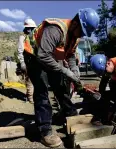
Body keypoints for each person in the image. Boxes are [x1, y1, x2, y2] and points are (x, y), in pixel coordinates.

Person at [23, 8, 100, 147]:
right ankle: (45, 131)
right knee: (42, 91)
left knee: (60, 86)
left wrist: (75, 71)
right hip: (34, 56)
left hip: (49, 56)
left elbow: (70, 55)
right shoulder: (55, 30)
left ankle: (69, 114)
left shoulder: (75, 36)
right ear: (76, 23)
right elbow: (43, 55)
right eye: (82, 31)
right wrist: (66, 71)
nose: (82, 35)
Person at [17, 18, 37, 103]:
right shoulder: (22, 37)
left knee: (34, 80)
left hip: (34, 61)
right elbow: (20, 50)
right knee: (29, 80)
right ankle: (30, 98)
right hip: (27, 61)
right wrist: (22, 62)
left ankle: (31, 95)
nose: (31, 30)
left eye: (32, 28)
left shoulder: (34, 37)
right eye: (30, 28)